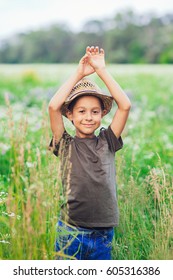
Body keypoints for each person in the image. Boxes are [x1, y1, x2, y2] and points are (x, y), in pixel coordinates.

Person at [48, 46, 131, 260]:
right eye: (81, 111)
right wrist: (79, 73)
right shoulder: (65, 144)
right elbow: (53, 106)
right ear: (70, 115)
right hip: (71, 232)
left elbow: (125, 106)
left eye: (95, 112)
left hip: (103, 235)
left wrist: (101, 70)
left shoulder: (108, 141)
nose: (88, 117)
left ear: (102, 114)